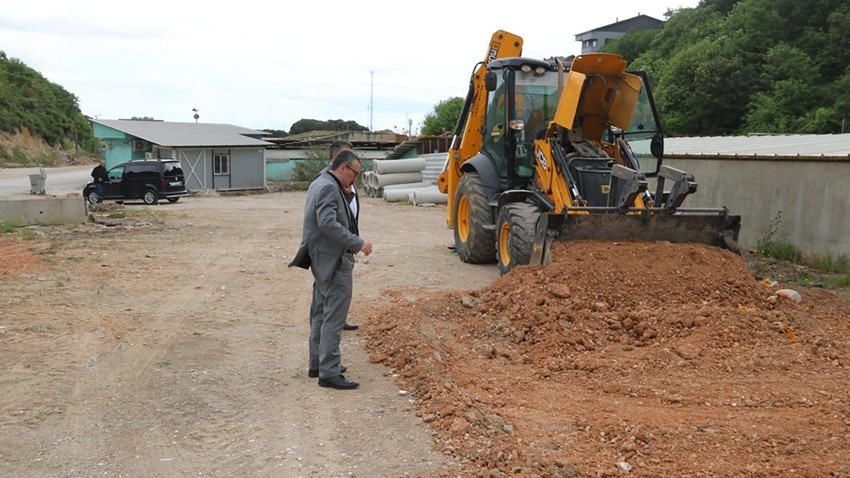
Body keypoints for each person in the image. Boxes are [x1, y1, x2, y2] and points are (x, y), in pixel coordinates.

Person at [290, 150, 372, 390]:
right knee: (334, 317)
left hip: (321, 259)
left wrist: (344, 197)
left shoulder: (321, 181)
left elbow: (332, 212)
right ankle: (329, 372)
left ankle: (318, 363)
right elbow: (327, 222)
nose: (355, 179)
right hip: (334, 260)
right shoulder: (328, 187)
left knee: (320, 313)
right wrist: (358, 243)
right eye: (354, 173)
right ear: (343, 168)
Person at [318, 141, 360, 331]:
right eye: (345, 156)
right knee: (331, 290)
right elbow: (327, 221)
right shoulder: (326, 182)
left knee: (341, 290)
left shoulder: (344, 180)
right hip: (334, 249)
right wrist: (356, 242)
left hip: (345, 244)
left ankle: (338, 318)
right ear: (335, 158)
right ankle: (333, 322)